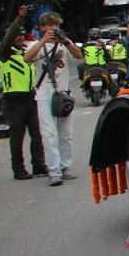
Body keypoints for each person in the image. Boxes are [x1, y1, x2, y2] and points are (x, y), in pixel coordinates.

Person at [23, 12, 83, 187]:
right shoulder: (36, 45)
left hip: (63, 93)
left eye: (55, 25)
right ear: (42, 28)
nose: (53, 28)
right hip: (44, 94)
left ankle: (66, 167)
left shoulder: (64, 44)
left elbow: (78, 55)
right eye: (49, 25)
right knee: (49, 134)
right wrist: (43, 42)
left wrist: (65, 41)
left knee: (66, 134)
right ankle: (54, 171)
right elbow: (26, 59)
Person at [0, 6, 46, 180]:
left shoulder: (24, 52)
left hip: (29, 97)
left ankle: (39, 165)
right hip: (13, 100)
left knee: (36, 134)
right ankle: (18, 169)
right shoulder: (4, 53)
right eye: (15, 35)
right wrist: (19, 17)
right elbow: (8, 38)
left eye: (21, 35)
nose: (19, 38)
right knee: (17, 138)